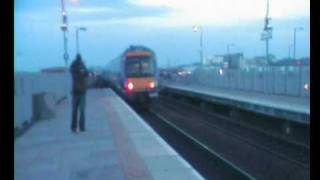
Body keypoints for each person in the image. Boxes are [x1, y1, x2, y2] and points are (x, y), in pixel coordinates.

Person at [70, 53, 89, 133]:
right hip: (80, 92)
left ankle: (75, 127)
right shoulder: (76, 67)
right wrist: (81, 67)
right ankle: (81, 127)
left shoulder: (76, 66)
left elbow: (86, 74)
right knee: (81, 111)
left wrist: (81, 67)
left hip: (77, 92)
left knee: (76, 111)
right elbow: (86, 74)